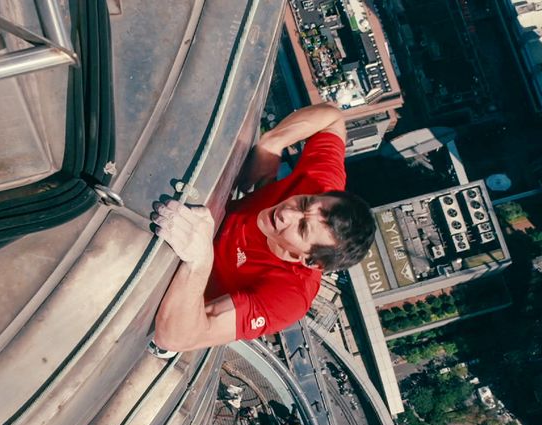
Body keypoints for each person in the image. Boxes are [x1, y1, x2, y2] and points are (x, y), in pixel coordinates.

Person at [149, 103, 375, 356]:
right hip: (189, 218)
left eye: (301, 227)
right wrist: (272, 143)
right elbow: (332, 118)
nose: (286, 212)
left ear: (310, 261)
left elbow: (174, 337)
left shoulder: (289, 296)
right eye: (303, 202)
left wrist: (199, 262)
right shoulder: (319, 188)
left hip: (169, 293)